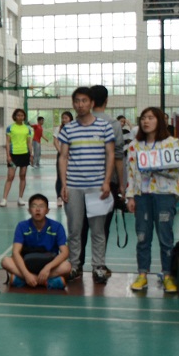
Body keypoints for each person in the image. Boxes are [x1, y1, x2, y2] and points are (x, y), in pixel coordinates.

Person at [57, 87, 116, 284]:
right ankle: (74, 266)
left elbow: (110, 155)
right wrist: (63, 184)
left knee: (98, 230)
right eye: (77, 101)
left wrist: (106, 181)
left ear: (91, 103)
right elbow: (63, 157)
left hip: (96, 187)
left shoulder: (104, 127)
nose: (80, 104)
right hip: (73, 186)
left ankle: (98, 267)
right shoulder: (69, 129)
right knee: (74, 229)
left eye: (84, 101)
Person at [124, 106, 179, 294]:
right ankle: (142, 274)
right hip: (142, 196)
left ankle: (167, 275)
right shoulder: (134, 145)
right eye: (143, 118)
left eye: (150, 117)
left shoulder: (172, 143)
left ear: (159, 120)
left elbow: (177, 171)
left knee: (166, 237)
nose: (146, 121)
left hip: (165, 195)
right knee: (142, 236)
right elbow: (131, 172)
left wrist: (155, 166)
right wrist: (130, 196)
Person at [1, 194, 72, 289]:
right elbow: (15, 252)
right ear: (29, 210)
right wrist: (26, 274)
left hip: (49, 265)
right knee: (6, 261)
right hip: (27, 264)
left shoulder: (57, 227)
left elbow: (65, 252)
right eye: (34, 206)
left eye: (41, 206)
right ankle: (45, 281)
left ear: (47, 210)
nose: (38, 209)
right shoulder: (22, 226)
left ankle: (25, 280)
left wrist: (48, 267)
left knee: (67, 266)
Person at [1, 108, 32, 207]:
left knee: (23, 176)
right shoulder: (10, 128)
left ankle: (20, 198)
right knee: (10, 176)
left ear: (24, 117)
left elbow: (29, 142)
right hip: (13, 156)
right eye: (18, 115)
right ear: (15, 116)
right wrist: (8, 155)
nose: (20, 117)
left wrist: (31, 154)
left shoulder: (27, 128)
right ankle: (4, 199)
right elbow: (7, 142)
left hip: (24, 154)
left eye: (22, 115)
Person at [53, 111, 73, 205]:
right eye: (63, 118)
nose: (64, 120)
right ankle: (59, 197)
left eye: (66, 118)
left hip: (72, 155)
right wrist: (62, 152)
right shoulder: (58, 129)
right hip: (62, 155)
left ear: (70, 119)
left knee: (71, 176)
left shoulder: (74, 128)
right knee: (60, 176)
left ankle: (70, 195)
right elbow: (55, 142)